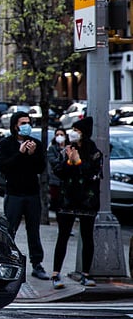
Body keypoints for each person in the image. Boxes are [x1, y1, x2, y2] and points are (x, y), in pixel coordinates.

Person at [49, 116, 102, 289]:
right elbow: (58, 171)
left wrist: (78, 162)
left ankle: (86, 274)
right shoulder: (67, 150)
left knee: (87, 236)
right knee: (63, 235)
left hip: (87, 200)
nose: (73, 134)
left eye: (77, 131)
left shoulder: (94, 152)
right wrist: (68, 161)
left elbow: (93, 174)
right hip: (67, 199)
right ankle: (56, 273)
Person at [0, 110, 49, 280]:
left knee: (33, 230)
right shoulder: (6, 144)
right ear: (15, 126)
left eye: (28, 122)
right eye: (22, 123)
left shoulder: (36, 144)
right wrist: (20, 154)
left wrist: (32, 155)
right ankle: (7, 261)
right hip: (14, 193)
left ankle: (37, 264)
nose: (26, 126)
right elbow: (4, 167)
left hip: (32, 193)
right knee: (10, 229)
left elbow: (40, 168)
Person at [46, 127, 68, 210]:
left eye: (61, 135)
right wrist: (62, 155)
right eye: (57, 135)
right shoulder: (52, 148)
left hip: (66, 181)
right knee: (56, 202)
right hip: (55, 181)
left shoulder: (69, 147)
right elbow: (53, 161)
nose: (59, 136)